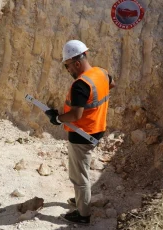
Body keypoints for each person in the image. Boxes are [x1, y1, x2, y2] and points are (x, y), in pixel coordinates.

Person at [45, 40, 116, 225]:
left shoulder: (80, 84)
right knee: (79, 171)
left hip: (82, 134)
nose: (68, 70)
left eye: (67, 66)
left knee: (79, 175)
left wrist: (58, 118)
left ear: (77, 63)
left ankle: (83, 214)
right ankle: (80, 200)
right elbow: (112, 84)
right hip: (97, 128)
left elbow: (76, 114)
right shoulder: (101, 72)